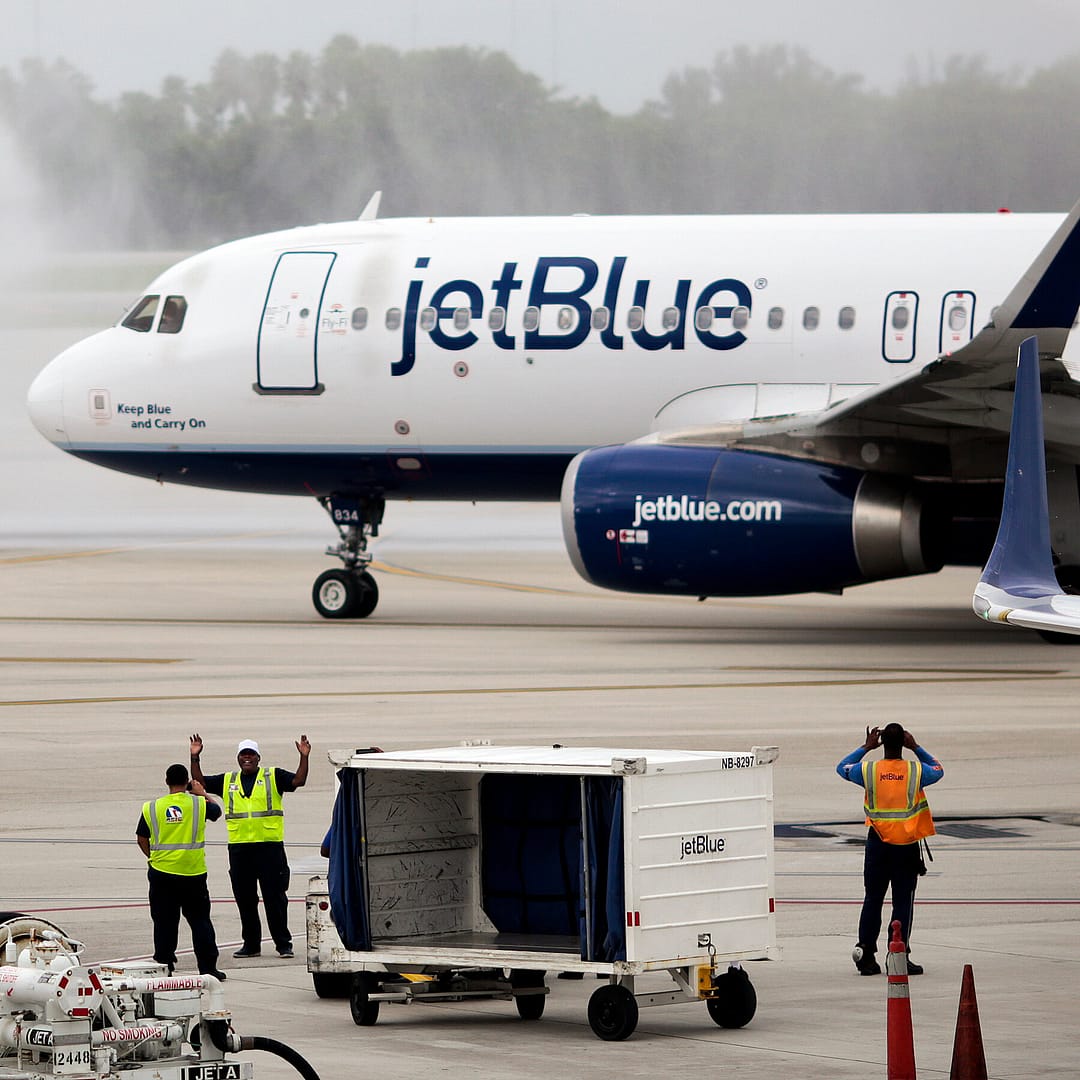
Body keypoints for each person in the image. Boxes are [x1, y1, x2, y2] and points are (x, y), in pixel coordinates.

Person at [189, 733, 310, 959]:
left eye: (251, 754)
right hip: (240, 849)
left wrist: (304, 757)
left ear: (258, 757)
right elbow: (200, 783)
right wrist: (195, 757)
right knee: (245, 899)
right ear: (238, 758)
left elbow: (298, 781)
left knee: (275, 899)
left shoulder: (273, 776)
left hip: (269, 848)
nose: (247, 758)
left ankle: (283, 943)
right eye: (243, 755)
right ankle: (251, 944)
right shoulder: (228, 780)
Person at [836, 723, 943, 976]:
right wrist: (916, 747)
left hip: (877, 843)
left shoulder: (869, 770)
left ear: (882, 744)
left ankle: (865, 953)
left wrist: (865, 747)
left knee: (873, 898)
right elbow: (938, 769)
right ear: (903, 742)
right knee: (902, 902)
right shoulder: (916, 771)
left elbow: (841, 767)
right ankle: (898, 956)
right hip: (905, 847)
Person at [136, 763, 225, 980]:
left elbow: (141, 838)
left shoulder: (152, 807)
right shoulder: (198, 804)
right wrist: (202, 792)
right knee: (200, 921)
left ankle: (165, 964)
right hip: (193, 873)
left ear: (166, 781)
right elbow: (217, 813)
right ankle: (208, 968)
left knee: (164, 921)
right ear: (187, 782)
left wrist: (154, 857)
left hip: (162, 872)